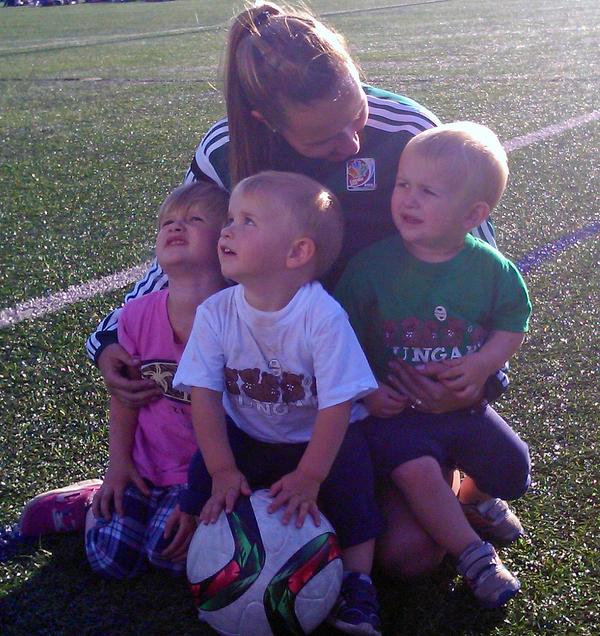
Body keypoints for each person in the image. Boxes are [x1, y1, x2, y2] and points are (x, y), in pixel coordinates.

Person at [85, 2, 509, 577]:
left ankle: (445, 471)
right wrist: (111, 336)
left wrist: (474, 374)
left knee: (405, 556)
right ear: (265, 120)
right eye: (324, 140)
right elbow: (191, 247)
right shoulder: (227, 149)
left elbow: (480, 266)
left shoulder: (408, 131)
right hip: (272, 381)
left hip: (379, 377)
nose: (351, 144)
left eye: (356, 115)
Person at [170, 171, 383, 635]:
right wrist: (222, 469)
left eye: (247, 221)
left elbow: (337, 406)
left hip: (317, 438)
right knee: (203, 475)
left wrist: (311, 475)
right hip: (248, 433)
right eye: (230, 218)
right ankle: (196, 541)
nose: (227, 230)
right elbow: (204, 397)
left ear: (297, 252)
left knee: (353, 483)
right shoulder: (216, 313)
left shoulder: (322, 316)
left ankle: (358, 582)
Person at [335, 122, 532, 607]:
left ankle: (473, 501)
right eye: (403, 184)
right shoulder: (370, 267)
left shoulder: (491, 269)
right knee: (416, 471)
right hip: (395, 415)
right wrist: (367, 389)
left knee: (514, 466)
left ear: (473, 214)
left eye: (428, 191)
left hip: (462, 408)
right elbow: (339, 337)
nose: (408, 198)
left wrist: (483, 364)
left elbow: (513, 322)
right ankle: (474, 558)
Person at [17, 182, 229, 579]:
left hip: (202, 473)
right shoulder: (135, 316)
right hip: (144, 464)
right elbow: (126, 397)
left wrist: (209, 487)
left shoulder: (239, 319)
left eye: (195, 219)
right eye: (167, 222)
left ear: (226, 241)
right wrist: (118, 464)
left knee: (167, 555)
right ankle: (89, 498)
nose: (176, 226)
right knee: (109, 558)